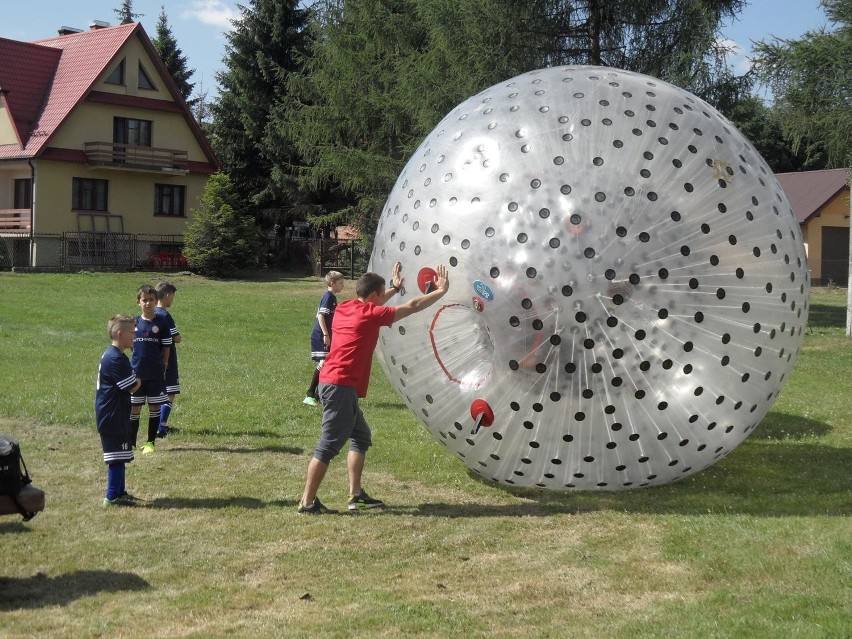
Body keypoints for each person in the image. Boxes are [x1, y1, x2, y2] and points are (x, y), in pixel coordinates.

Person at [298, 262, 450, 514]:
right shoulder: (370, 315)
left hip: (332, 381)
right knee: (327, 445)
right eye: (381, 297)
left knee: (361, 436)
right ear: (372, 297)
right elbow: (411, 307)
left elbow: (376, 302)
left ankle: (356, 496)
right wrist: (440, 291)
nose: (383, 301)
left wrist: (393, 288)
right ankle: (307, 502)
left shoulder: (346, 307)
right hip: (339, 385)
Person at [96, 314, 142, 507]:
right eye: (132, 332)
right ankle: (112, 497)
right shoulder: (115, 359)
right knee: (115, 457)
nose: (135, 336)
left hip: (117, 413)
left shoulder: (117, 356)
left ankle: (120, 492)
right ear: (120, 334)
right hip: (111, 415)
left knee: (121, 454)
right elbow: (132, 386)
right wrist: (139, 379)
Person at [131, 285, 172, 455]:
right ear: (138, 302)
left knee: (154, 407)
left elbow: (166, 347)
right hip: (136, 374)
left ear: (156, 301)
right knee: (134, 408)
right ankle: (130, 442)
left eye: (151, 300)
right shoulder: (133, 323)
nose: (148, 303)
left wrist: (164, 364)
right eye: (144, 300)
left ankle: (150, 442)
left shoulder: (162, 323)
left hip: (155, 373)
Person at [303, 270, 345, 406]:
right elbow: (320, 316)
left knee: (327, 363)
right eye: (340, 283)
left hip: (325, 335)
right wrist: (326, 334)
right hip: (320, 336)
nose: (342, 286)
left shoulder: (332, 297)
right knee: (324, 363)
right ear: (332, 283)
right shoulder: (328, 297)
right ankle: (310, 394)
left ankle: (318, 395)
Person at [155, 281, 181, 437]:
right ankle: (161, 426)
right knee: (170, 391)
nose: (173, 300)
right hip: (167, 358)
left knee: (158, 392)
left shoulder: (152, 313)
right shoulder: (165, 315)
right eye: (173, 297)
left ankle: (158, 424)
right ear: (168, 295)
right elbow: (176, 338)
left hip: (154, 358)